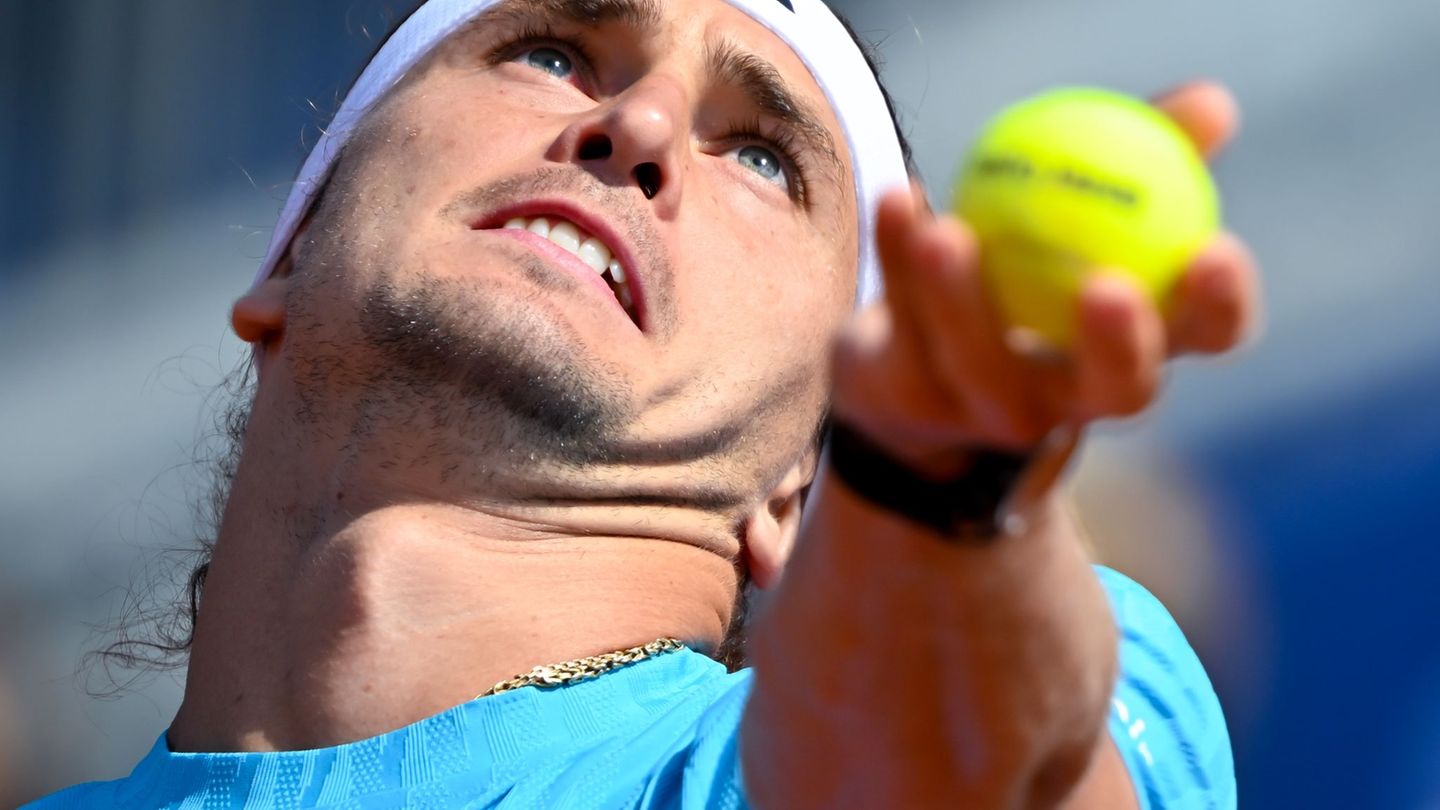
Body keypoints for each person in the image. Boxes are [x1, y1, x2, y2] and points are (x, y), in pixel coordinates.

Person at [27, 0, 1257, 807]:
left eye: (764, 155)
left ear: (797, 482)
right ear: (286, 255)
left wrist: (944, 488)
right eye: (552, 50)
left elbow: (955, 756)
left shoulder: (834, 724)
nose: (642, 124)